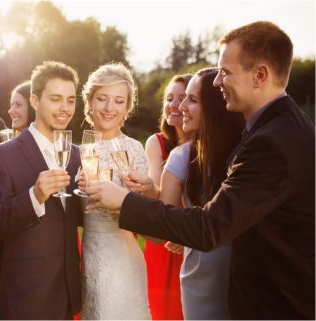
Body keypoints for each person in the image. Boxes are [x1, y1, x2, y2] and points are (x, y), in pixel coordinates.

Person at [85, 21, 315, 319]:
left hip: (276, 306)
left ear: (260, 75)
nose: (217, 81)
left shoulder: (272, 142)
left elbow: (209, 227)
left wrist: (123, 200)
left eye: (225, 72)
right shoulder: (278, 128)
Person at [0, 61, 82, 319]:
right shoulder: (2, 156)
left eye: (70, 100)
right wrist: (33, 196)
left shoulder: (77, 155)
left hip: (68, 294)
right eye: (56, 99)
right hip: (24, 297)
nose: (65, 108)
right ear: (35, 101)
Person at [161, 67, 243, 319]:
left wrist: (183, 229)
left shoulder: (246, 153)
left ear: (215, 108)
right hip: (200, 274)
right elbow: (164, 219)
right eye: (183, 97)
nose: (181, 106)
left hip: (243, 271)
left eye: (192, 100)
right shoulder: (181, 157)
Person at [77, 63, 150, 320]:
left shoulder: (134, 150)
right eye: (102, 99)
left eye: (118, 101)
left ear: (127, 108)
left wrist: (139, 192)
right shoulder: (79, 150)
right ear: (90, 101)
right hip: (91, 252)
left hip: (123, 251)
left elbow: (150, 209)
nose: (109, 108)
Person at [143, 74, 191, 320]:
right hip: (164, 242)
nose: (174, 104)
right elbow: (158, 197)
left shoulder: (207, 144)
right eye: (169, 98)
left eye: (183, 98)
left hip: (194, 239)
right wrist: (142, 188)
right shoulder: (157, 143)